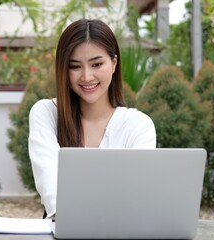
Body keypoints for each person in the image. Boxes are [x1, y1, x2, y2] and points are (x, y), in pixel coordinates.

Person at [28, 19, 156, 219]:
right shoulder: (46, 113)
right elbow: (51, 185)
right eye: (75, 66)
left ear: (114, 63)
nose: (86, 77)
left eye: (97, 64)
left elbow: (136, 195)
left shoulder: (139, 125)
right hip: (63, 229)